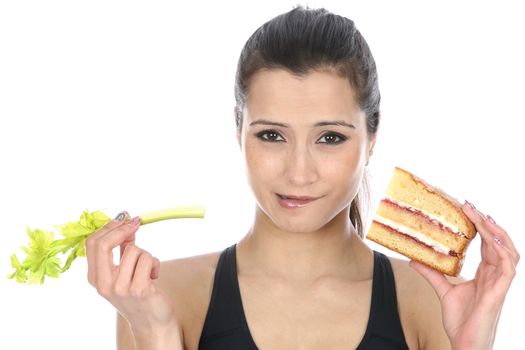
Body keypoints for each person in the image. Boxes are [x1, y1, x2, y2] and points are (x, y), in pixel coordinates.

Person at [85, 5, 519, 350]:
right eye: (271, 135)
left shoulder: (431, 301)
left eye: (330, 137)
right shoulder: (162, 297)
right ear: (239, 130)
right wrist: (157, 336)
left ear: (372, 136)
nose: (299, 171)